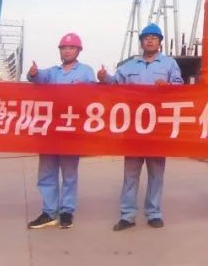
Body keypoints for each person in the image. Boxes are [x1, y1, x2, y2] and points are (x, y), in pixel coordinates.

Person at [100, 23, 183, 230]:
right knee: (130, 174)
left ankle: (154, 213)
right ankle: (127, 215)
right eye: (146, 37)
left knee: (156, 173)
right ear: (141, 42)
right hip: (133, 128)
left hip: (157, 127)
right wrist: (104, 78)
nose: (150, 40)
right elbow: (115, 85)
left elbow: (180, 88)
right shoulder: (129, 66)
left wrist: (169, 86)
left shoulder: (169, 64)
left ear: (160, 42)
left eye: (154, 38)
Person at [26, 32, 98, 230]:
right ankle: (49, 212)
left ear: (79, 50)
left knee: (69, 173)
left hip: (71, 131)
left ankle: (67, 211)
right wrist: (33, 73)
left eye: (71, 48)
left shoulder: (86, 72)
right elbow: (38, 78)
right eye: (64, 48)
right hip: (50, 130)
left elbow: (94, 97)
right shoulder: (53, 72)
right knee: (46, 172)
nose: (67, 51)